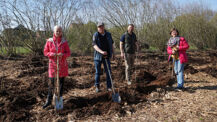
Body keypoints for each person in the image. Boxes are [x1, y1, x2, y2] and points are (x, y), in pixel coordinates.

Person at [43, 25, 71, 109]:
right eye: (57, 31)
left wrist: (63, 55)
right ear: (54, 32)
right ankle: (49, 101)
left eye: (59, 31)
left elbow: (68, 53)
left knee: (61, 83)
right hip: (52, 65)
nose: (58, 32)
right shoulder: (49, 41)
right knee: (51, 83)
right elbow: (45, 52)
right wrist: (52, 54)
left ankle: (59, 99)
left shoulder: (64, 42)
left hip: (62, 65)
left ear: (62, 32)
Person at [92, 22, 115, 92]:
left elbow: (112, 44)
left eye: (101, 26)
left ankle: (109, 87)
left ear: (104, 27)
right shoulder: (96, 35)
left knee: (108, 71)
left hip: (107, 56)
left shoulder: (108, 34)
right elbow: (94, 45)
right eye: (99, 27)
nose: (100, 28)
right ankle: (97, 86)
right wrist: (101, 52)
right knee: (98, 72)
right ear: (97, 28)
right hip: (98, 57)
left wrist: (113, 53)